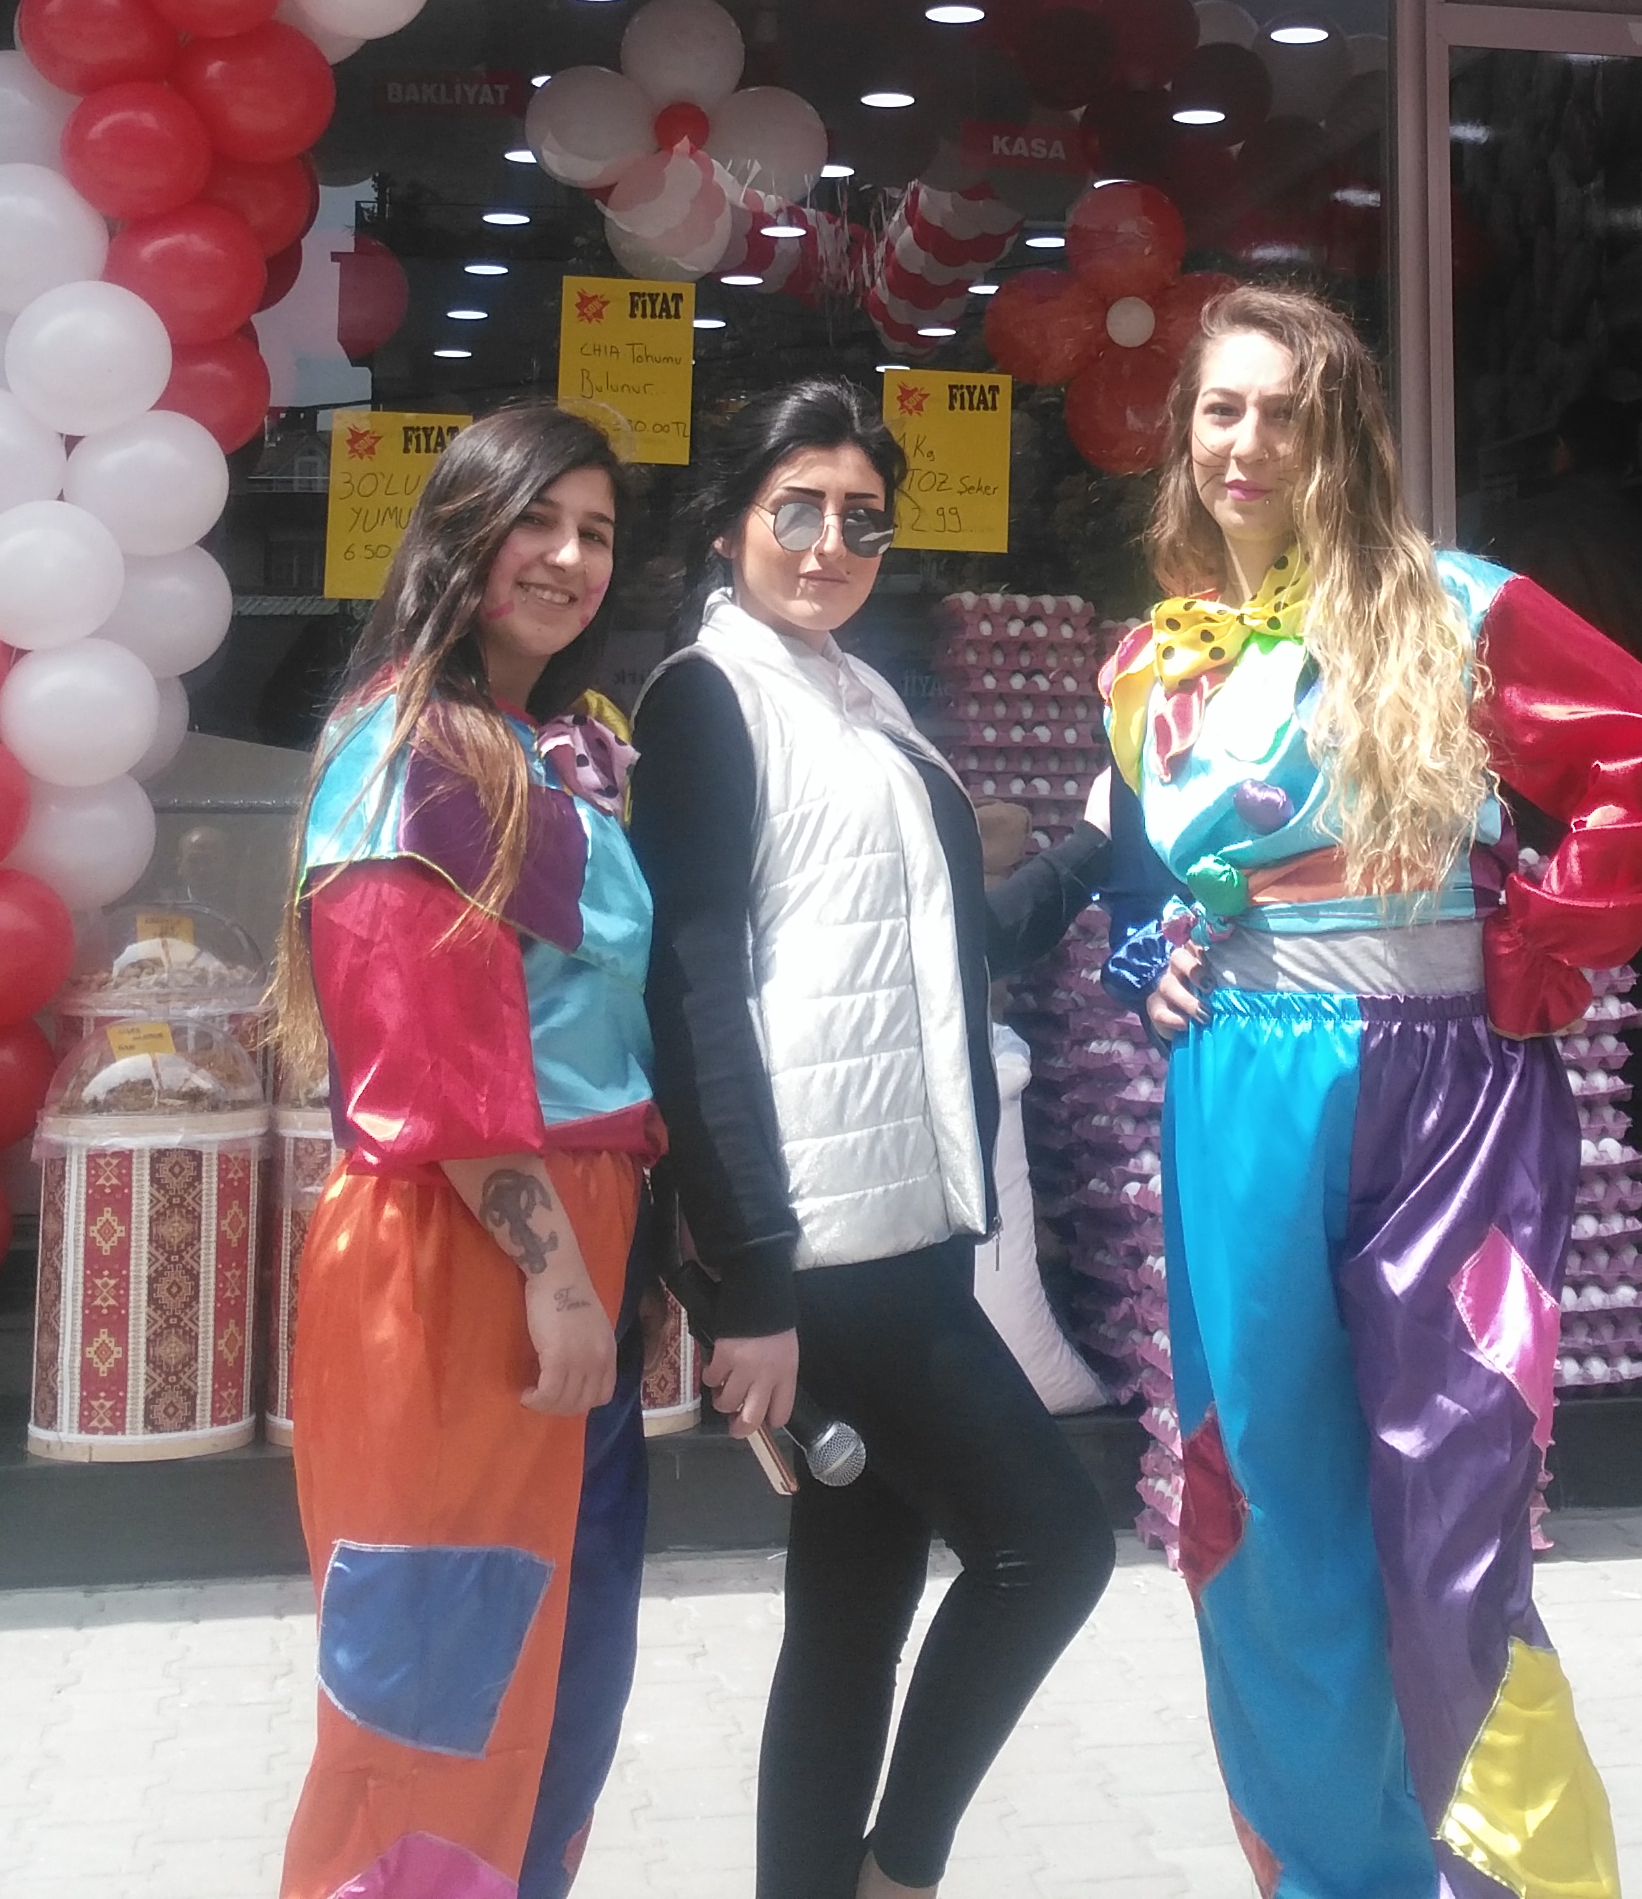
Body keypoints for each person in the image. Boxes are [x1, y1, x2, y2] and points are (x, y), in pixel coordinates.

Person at [1112, 284, 1642, 1899]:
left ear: (1347, 437)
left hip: (1450, 1097)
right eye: (1223, 408)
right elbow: (1142, 893)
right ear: (1185, 433)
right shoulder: (1152, 664)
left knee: (1456, 1535)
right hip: (1237, 1099)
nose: (1249, 442)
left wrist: (1540, 943)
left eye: (1287, 411)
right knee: (1260, 1522)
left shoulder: (1457, 609)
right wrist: (1145, 961)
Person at [629, 375, 1127, 1899]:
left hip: (912, 1220)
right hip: (828, 1246)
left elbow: (953, 944)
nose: (831, 543)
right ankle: (897, 1874)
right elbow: (696, 995)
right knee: (1053, 1547)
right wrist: (752, 1280)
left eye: (863, 518)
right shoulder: (707, 701)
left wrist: (1101, 845)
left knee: (850, 1615)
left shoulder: (858, 696)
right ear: (731, 524)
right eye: (799, 508)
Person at [267, 403, 659, 1899]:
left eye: (596, 532)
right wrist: (555, 1275)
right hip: (469, 1243)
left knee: (560, 1677)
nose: (568, 557)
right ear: (461, 536)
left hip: (565, 1230)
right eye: (536, 522)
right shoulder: (408, 751)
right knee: (439, 1700)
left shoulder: (532, 749)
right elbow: (423, 1057)